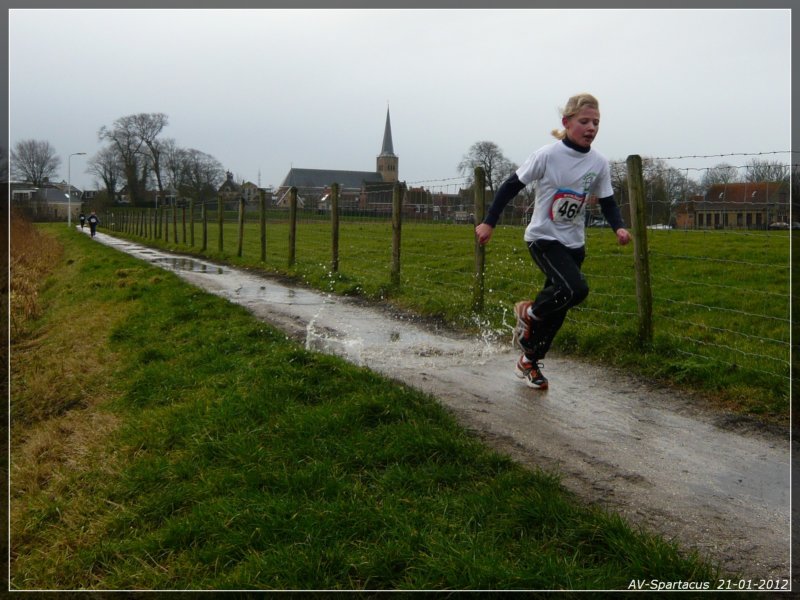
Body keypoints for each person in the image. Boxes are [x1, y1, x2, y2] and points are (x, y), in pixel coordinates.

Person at [475, 93, 631, 390]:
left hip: (574, 242)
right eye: (584, 121)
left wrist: (619, 228)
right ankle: (529, 312)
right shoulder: (547, 155)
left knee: (561, 305)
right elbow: (510, 186)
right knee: (575, 289)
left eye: (596, 122)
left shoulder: (599, 163)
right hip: (543, 238)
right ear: (566, 122)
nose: (591, 128)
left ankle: (529, 361)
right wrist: (489, 222)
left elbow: (609, 201)